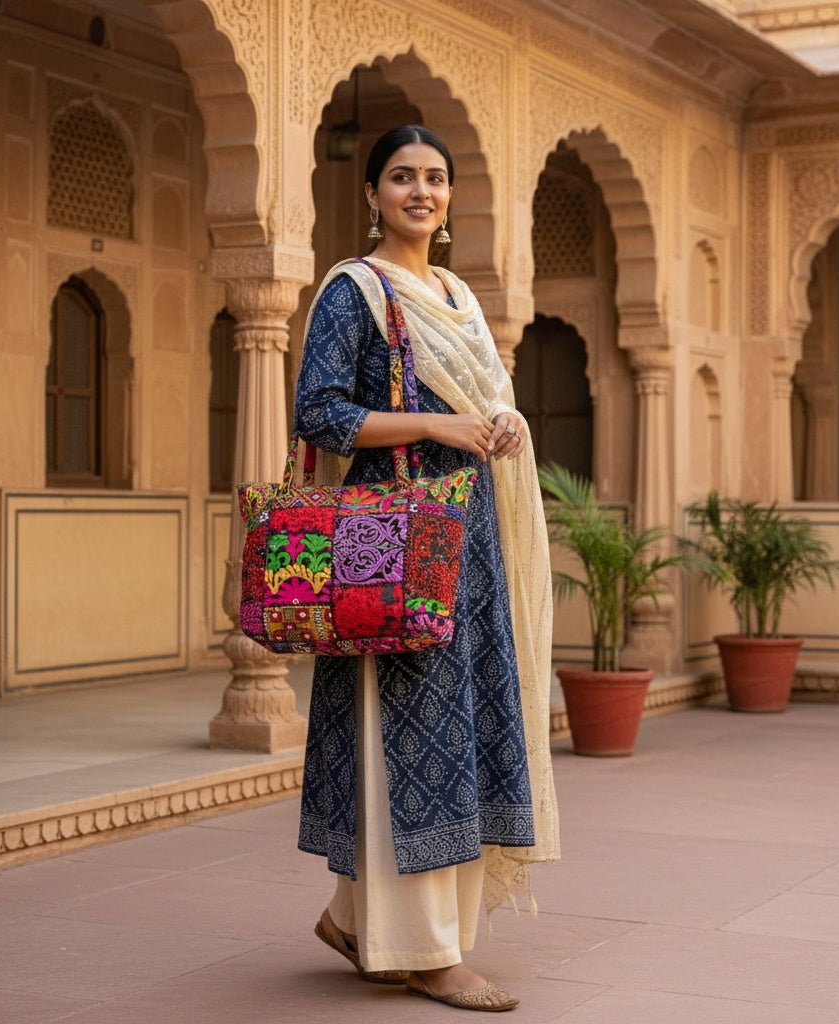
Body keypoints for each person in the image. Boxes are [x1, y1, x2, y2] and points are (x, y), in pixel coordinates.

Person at [293, 124, 559, 1012]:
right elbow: (322, 414)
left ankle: (352, 914)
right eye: (401, 177)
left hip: (470, 538)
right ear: (371, 193)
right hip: (392, 541)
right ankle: (423, 950)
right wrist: (437, 427)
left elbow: (487, 398)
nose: (421, 191)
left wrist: (503, 422)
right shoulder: (354, 290)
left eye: (435, 179)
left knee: (458, 729)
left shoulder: (455, 293)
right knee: (409, 733)